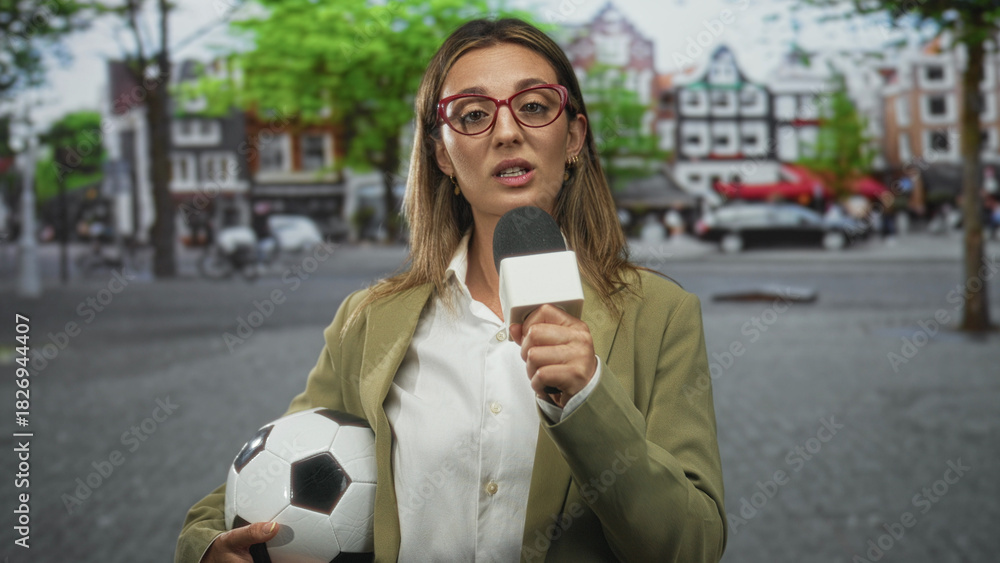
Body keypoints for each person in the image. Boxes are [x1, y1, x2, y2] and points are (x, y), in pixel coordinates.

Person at [176, 18, 726, 562]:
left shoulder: (661, 316)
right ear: (443, 155)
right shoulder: (369, 320)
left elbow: (692, 545)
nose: (507, 132)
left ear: (575, 136)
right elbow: (262, 477)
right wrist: (207, 549)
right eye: (473, 115)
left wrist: (589, 402)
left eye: (533, 105)